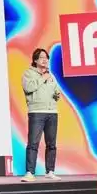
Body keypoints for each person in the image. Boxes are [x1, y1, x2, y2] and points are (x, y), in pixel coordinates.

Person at [21, 48, 61, 182]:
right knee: (33, 143)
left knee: (51, 144)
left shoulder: (51, 75)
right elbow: (28, 88)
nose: (45, 60)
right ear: (35, 60)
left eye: (46, 58)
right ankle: (29, 173)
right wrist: (42, 78)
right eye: (42, 57)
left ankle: (50, 171)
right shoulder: (28, 74)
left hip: (52, 112)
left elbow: (56, 90)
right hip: (36, 112)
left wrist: (57, 95)